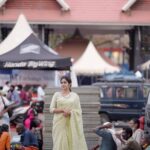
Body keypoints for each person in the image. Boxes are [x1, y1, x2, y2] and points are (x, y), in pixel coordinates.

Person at [49, 76, 87, 150]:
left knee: (71, 141)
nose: (63, 84)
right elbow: (51, 109)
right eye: (62, 83)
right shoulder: (56, 95)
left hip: (71, 123)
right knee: (59, 142)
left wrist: (70, 113)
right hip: (59, 123)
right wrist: (62, 110)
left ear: (69, 84)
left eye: (65, 82)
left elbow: (78, 111)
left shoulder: (75, 96)